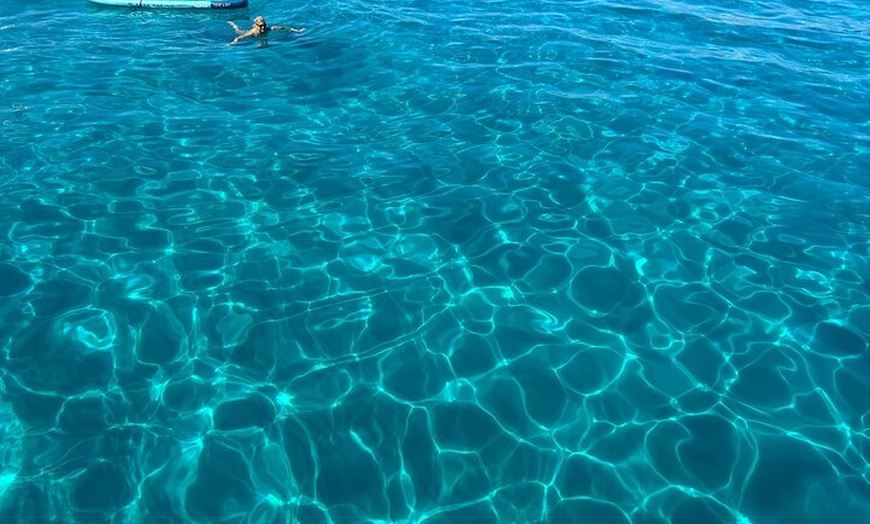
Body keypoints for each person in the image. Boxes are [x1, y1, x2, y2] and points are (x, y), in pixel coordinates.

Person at [228, 16, 305, 44]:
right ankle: (232, 23)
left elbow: (283, 28)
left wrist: (296, 30)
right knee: (237, 29)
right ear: (256, 25)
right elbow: (240, 37)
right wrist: (232, 43)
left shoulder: (267, 29)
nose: (263, 28)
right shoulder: (252, 32)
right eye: (260, 26)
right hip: (245, 33)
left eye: (264, 25)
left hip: (259, 38)